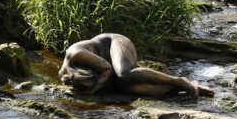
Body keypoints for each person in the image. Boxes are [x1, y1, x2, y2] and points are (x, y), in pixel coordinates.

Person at [59, 33, 214, 98]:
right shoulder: (65, 75)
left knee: (124, 74)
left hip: (115, 43)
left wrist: (95, 88)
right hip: (109, 65)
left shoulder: (75, 54)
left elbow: (107, 68)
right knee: (128, 89)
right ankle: (180, 88)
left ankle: (179, 81)